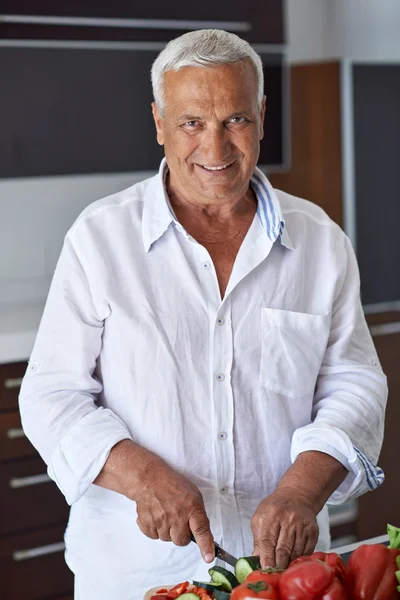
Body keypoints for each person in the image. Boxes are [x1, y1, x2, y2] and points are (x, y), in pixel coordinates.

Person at [19, 29, 387, 599]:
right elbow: (49, 395)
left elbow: (354, 383)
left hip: (283, 574)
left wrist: (303, 489)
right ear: (159, 122)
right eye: (192, 123)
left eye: (235, 120)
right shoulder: (100, 239)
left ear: (263, 116)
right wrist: (141, 477)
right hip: (137, 573)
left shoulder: (321, 241)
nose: (214, 150)